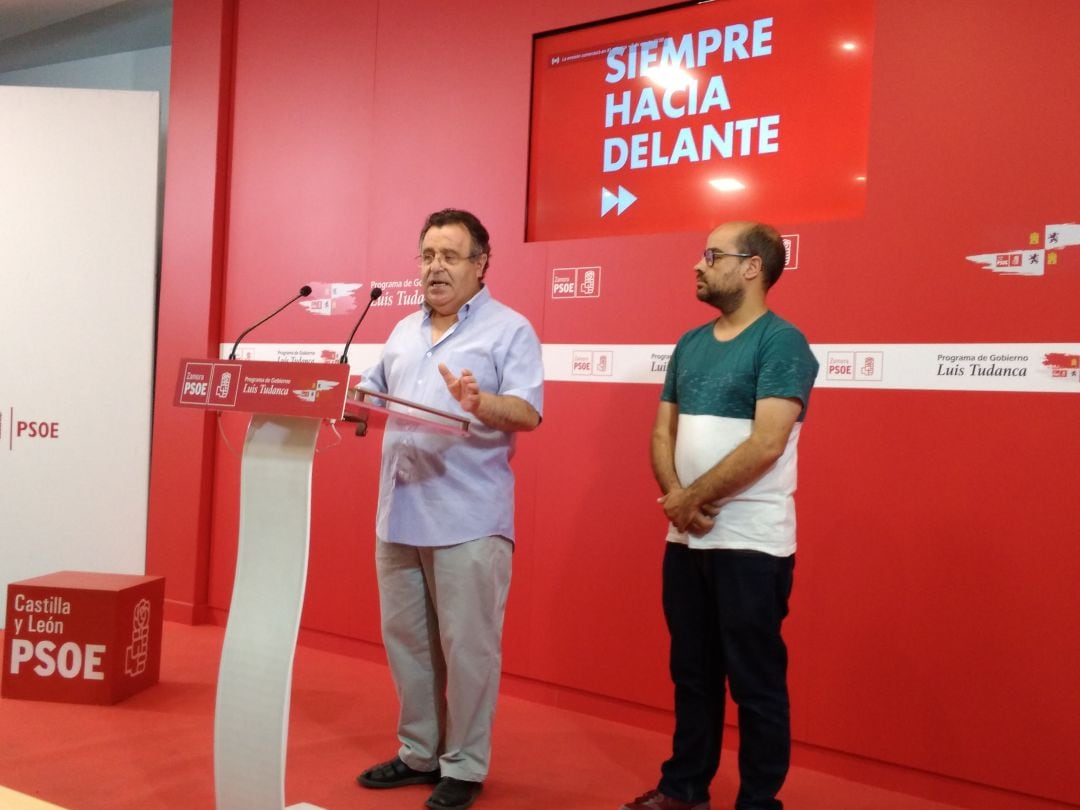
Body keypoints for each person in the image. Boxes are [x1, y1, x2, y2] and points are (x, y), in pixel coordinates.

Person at [620, 222, 819, 810]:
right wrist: (678, 498)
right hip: (685, 539)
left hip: (752, 544)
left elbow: (767, 443)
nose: (698, 266)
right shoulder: (689, 343)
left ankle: (759, 802)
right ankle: (685, 789)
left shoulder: (782, 342)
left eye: (712, 255)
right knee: (693, 675)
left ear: (752, 266)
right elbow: (662, 430)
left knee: (755, 684)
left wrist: (689, 499)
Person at [355, 209, 543, 810]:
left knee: (468, 650)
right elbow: (369, 392)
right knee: (408, 644)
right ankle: (418, 753)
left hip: (468, 519)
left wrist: (479, 402)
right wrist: (335, 393)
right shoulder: (402, 330)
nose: (435, 267)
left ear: (481, 264)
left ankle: (463, 765)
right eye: (427, 255)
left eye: (450, 256)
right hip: (399, 515)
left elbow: (528, 414)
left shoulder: (510, 330)